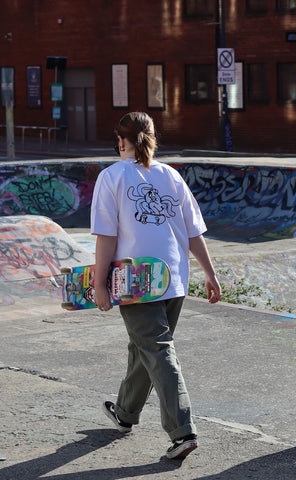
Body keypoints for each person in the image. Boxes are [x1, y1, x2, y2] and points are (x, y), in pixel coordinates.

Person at [90, 111, 221, 459]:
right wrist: (210, 273)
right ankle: (125, 412)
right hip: (174, 279)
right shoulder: (171, 176)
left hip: (135, 282)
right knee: (145, 347)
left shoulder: (111, 176)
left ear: (120, 141)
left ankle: (183, 431)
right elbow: (194, 232)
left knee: (157, 349)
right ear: (152, 138)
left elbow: (106, 236)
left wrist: (98, 281)